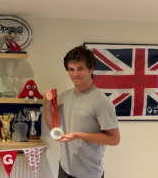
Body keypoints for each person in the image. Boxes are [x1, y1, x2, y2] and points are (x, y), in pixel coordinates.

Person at [45, 45, 120, 178]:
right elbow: (53, 129)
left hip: (89, 173)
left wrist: (78, 135)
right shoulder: (64, 96)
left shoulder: (101, 101)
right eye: (71, 69)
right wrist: (47, 105)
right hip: (65, 168)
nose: (76, 74)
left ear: (92, 69)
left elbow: (114, 139)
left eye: (81, 68)